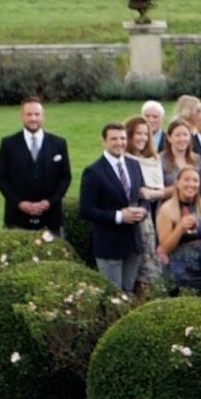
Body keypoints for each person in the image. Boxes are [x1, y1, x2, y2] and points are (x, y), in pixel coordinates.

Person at [79, 123, 148, 293]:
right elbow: (86, 210)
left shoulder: (134, 165)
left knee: (128, 293)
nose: (119, 143)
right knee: (113, 295)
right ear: (104, 141)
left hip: (132, 242)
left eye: (123, 138)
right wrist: (118, 216)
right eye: (114, 139)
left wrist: (143, 211)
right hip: (109, 245)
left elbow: (142, 195)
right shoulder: (93, 171)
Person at [0, 96, 70, 233]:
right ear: (21, 116)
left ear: (43, 116)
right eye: (29, 114)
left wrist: (49, 202)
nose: (33, 119)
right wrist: (20, 203)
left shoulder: (59, 144)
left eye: (37, 114)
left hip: (51, 218)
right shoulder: (8, 144)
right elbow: (2, 179)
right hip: (17, 218)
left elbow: (65, 178)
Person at [157, 166, 201, 296]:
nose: (191, 184)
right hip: (179, 276)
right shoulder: (167, 210)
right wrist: (180, 228)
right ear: (177, 183)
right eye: (186, 180)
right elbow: (164, 249)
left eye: (195, 180)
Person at [123, 116, 166, 289]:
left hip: (146, 220)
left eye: (145, 134)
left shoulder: (152, 159)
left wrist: (150, 193)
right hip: (127, 218)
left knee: (147, 270)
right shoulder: (123, 159)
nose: (142, 138)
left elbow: (161, 190)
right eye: (137, 134)